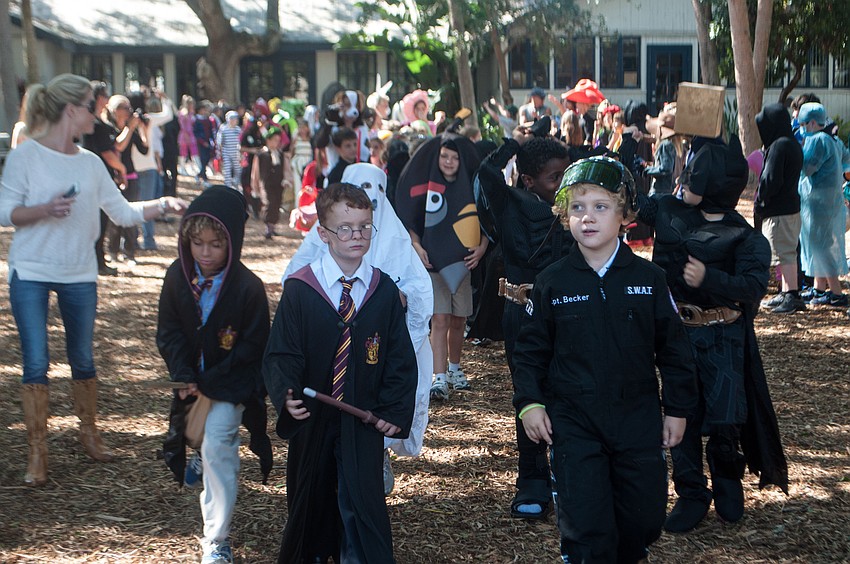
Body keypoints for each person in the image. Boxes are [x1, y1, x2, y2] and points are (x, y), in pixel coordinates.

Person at [0, 73, 186, 487]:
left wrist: (162, 204)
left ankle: (90, 435)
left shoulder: (90, 163)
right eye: (90, 106)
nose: (96, 113)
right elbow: (4, 212)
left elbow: (122, 213)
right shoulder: (26, 156)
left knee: (82, 359)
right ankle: (37, 453)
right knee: (35, 362)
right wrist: (44, 209)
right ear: (71, 110)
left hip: (79, 272)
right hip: (30, 271)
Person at [512, 156, 698, 563]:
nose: (588, 217)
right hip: (575, 423)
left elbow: (674, 351)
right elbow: (529, 353)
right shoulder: (552, 282)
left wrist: (678, 409)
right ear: (564, 216)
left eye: (601, 207)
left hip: (637, 419)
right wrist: (529, 403)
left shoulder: (649, 281)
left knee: (643, 519)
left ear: (625, 216)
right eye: (577, 208)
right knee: (586, 525)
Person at [636, 134, 789, 533]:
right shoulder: (669, 211)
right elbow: (636, 205)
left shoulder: (745, 237)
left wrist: (711, 278)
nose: (685, 184)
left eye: (695, 178)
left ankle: (726, 478)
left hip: (723, 337)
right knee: (679, 414)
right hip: (677, 337)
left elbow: (754, 287)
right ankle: (690, 492)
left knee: (725, 416)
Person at [264, 182, 418, 563]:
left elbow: (399, 359)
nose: (357, 236)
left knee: (362, 506)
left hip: (361, 422)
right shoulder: (301, 290)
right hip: (313, 422)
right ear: (323, 233)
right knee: (310, 503)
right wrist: (286, 394)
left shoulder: (382, 292)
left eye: (365, 226)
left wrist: (394, 413)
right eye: (345, 228)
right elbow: (281, 352)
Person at [283, 163, 434, 494]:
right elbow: (294, 282)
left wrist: (397, 299)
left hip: (378, 348)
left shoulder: (395, 239)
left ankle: (375, 458)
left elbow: (420, 291)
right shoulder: (322, 240)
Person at [156, 186, 270, 564]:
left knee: (220, 441)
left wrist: (216, 380)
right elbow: (169, 330)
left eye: (216, 245)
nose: (205, 254)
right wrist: (183, 372)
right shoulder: (177, 277)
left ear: (232, 242)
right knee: (199, 434)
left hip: (232, 385)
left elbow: (253, 348)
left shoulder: (248, 289)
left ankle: (216, 539)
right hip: (194, 384)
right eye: (197, 244)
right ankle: (201, 455)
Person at [474, 122, 571, 520]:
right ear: (529, 179)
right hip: (521, 312)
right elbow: (484, 172)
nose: (562, 183)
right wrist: (515, 143)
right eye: (554, 177)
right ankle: (531, 479)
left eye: (566, 175)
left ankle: (568, 474)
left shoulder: (574, 206)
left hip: (566, 310)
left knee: (565, 390)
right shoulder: (508, 202)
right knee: (529, 394)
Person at [395, 132, 487, 400]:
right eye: (444, 156)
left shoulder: (470, 186)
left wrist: (481, 249)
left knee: (459, 319)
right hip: (434, 264)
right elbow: (413, 220)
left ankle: (456, 369)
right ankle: (440, 376)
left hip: (463, 264)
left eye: (454, 157)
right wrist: (417, 246)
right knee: (440, 319)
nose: (449, 162)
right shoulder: (426, 186)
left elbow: (485, 221)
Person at [796, 102, 850, 307]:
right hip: (829, 202)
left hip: (819, 203)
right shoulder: (832, 140)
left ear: (811, 123)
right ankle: (819, 288)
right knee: (819, 245)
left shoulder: (817, 140)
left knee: (822, 247)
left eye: (802, 123)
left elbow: (807, 168)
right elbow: (846, 161)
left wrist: (797, 153)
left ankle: (836, 293)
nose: (801, 127)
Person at [754, 103, 806, 314]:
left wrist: (761, 198)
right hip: (791, 207)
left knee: (785, 253)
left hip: (780, 210)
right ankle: (785, 292)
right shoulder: (792, 143)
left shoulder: (779, 146)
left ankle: (792, 295)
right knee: (786, 251)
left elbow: (771, 179)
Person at [82, 81, 123, 276]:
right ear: (98, 98)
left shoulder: (98, 122)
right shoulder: (95, 124)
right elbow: (107, 153)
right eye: (105, 96)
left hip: (99, 176)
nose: (107, 99)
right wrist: (121, 168)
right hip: (98, 178)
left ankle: (99, 259)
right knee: (99, 221)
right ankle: (98, 262)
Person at [251, 127, 293, 239]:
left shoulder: (280, 154)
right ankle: (268, 228)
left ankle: (273, 227)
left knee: (276, 204)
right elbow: (256, 172)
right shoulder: (261, 155)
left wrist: (287, 179)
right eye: (274, 140)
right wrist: (255, 186)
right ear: (268, 140)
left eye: (278, 140)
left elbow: (286, 168)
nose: (276, 143)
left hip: (278, 184)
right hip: (266, 183)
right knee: (269, 203)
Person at [216, 110, 242, 190]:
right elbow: (219, 140)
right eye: (233, 119)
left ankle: (236, 183)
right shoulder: (223, 128)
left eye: (236, 119)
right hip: (226, 152)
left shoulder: (238, 130)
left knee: (238, 169)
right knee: (227, 170)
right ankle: (227, 186)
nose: (235, 121)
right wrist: (219, 150)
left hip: (236, 153)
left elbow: (241, 140)